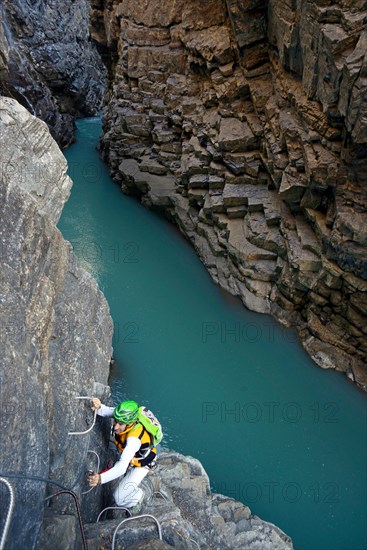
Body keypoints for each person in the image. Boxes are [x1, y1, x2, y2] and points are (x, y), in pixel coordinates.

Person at [88, 397, 157, 514]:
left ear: (130, 424)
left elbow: (121, 467)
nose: (115, 427)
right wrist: (98, 406)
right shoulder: (124, 415)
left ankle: (139, 496)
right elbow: (107, 411)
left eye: (120, 424)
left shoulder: (134, 440)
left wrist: (100, 479)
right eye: (115, 421)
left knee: (119, 498)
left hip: (143, 463)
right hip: (133, 457)